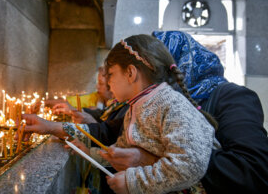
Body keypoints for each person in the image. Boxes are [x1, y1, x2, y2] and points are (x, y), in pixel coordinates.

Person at [101, 31, 268, 194]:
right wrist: (99, 153)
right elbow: (122, 134)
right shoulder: (146, 103)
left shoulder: (179, 103)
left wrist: (148, 164)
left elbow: (252, 172)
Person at [69, 34, 219, 194]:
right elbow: (122, 150)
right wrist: (90, 154)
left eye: (111, 74)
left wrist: (133, 182)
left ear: (130, 73)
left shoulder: (171, 104)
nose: (107, 82)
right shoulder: (136, 107)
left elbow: (189, 165)